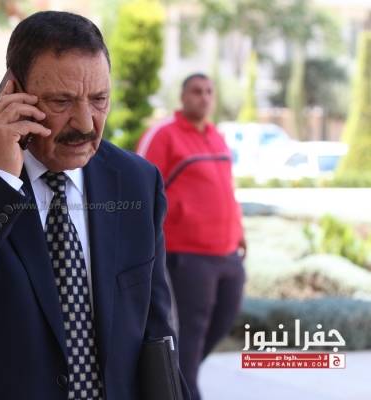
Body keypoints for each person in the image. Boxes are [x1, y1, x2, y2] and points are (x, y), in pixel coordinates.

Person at [0, 11, 179, 400]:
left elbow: (157, 333)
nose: (85, 123)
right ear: (12, 92)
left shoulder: (137, 180)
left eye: (99, 100)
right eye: (62, 101)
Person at [137, 73, 246, 400]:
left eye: (209, 91)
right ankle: (184, 389)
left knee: (222, 322)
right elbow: (140, 188)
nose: (204, 97)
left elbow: (226, 189)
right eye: (197, 91)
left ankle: (178, 380)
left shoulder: (217, 136)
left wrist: (239, 230)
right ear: (183, 96)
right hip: (187, 257)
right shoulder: (164, 135)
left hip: (228, 254)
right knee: (188, 338)